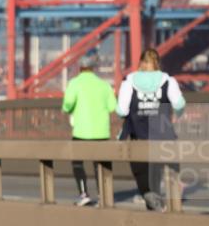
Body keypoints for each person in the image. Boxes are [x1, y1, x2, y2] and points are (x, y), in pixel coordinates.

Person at [117, 48, 186, 211]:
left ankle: (152, 199)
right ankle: (168, 200)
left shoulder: (129, 81)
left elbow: (122, 110)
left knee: (142, 175)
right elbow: (179, 105)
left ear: (141, 63)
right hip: (163, 134)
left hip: (138, 135)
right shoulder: (168, 81)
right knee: (167, 168)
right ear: (157, 63)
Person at [62, 54, 116, 206]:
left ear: (80, 67)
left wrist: (70, 109)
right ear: (94, 68)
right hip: (102, 132)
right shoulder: (104, 85)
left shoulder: (75, 83)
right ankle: (103, 196)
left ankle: (84, 193)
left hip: (81, 132)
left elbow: (67, 104)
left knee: (77, 163)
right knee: (100, 165)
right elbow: (113, 107)